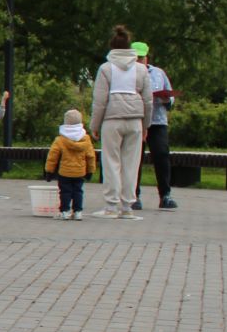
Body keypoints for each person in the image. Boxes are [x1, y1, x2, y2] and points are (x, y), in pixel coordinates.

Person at [91, 24, 151, 219]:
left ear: (112, 47)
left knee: (111, 162)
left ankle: (111, 206)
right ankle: (127, 207)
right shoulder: (141, 69)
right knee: (131, 164)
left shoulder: (106, 68)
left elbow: (99, 101)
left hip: (112, 119)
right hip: (135, 120)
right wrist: (146, 125)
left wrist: (95, 125)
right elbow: (148, 100)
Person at [134, 42, 178, 210]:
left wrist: (168, 99)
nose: (139, 60)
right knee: (135, 158)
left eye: (141, 57)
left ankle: (165, 195)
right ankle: (134, 195)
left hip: (157, 121)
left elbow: (170, 93)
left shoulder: (158, 73)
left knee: (161, 155)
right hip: (136, 120)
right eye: (136, 57)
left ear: (147, 57)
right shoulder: (127, 73)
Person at [45, 109, 96, 221]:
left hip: (65, 172)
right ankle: (78, 212)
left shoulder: (61, 139)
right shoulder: (86, 139)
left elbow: (52, 157)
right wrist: (90, 171)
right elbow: (91, 156)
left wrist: (49, 171)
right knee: (78, 191)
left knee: (65, 192)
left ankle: (65, 211)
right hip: (80, 171)